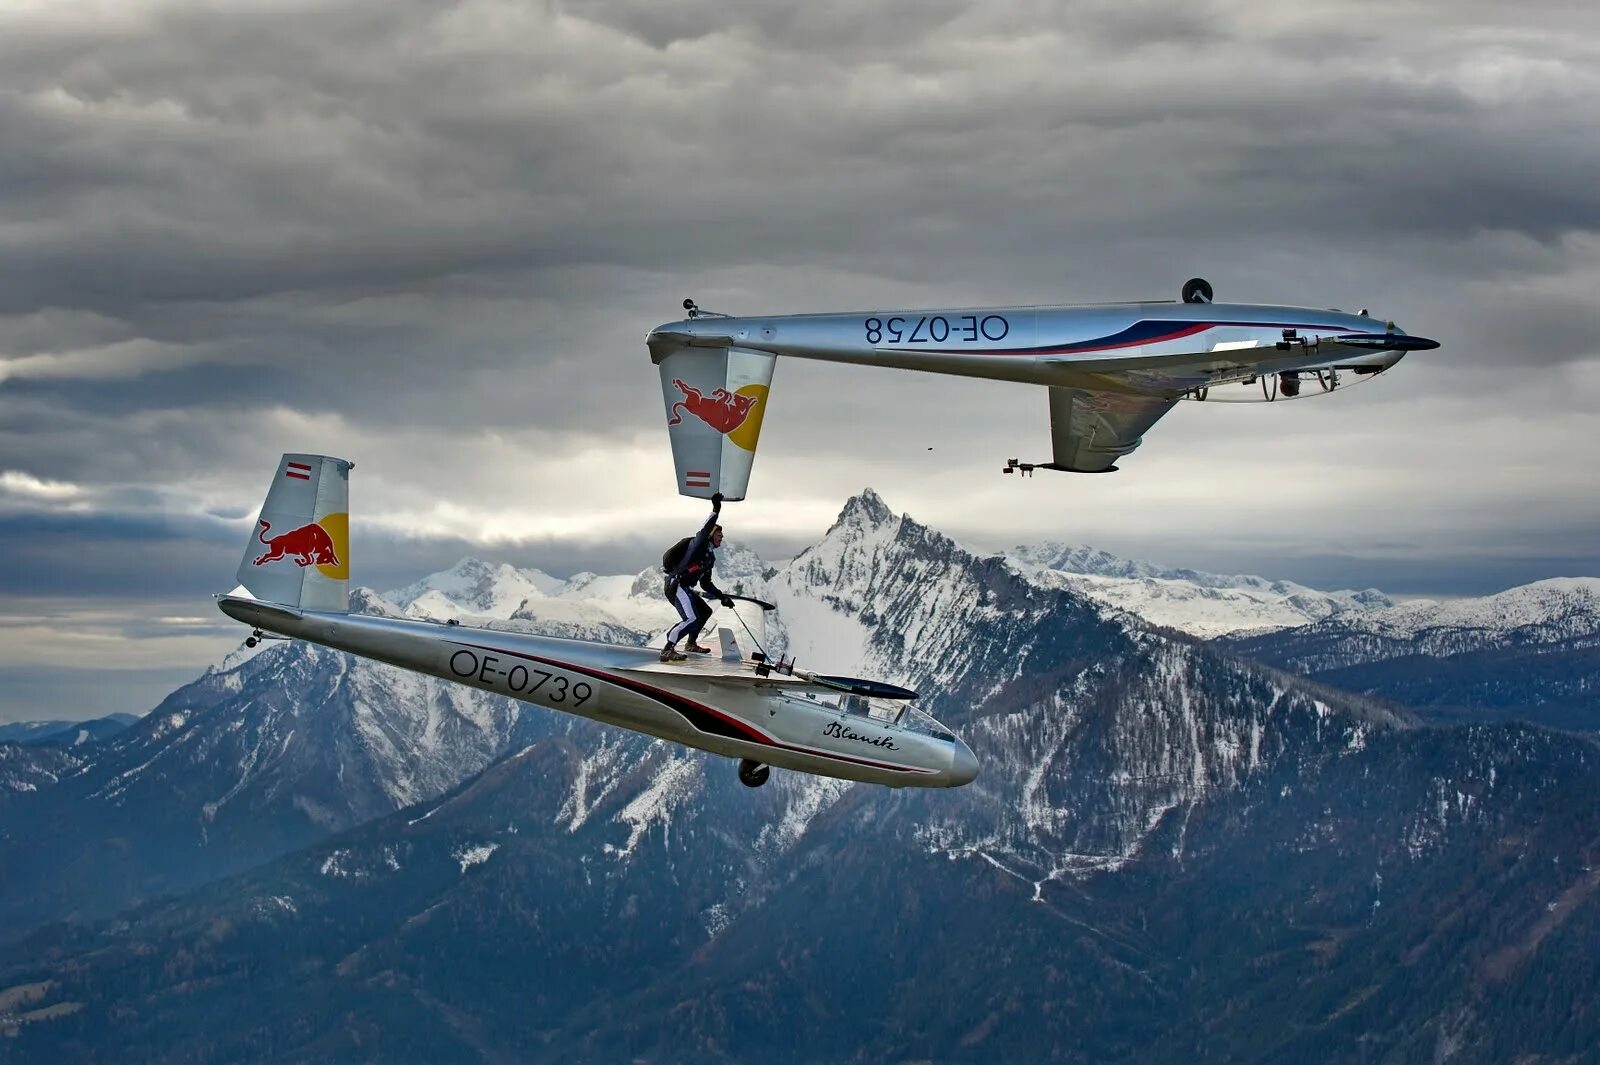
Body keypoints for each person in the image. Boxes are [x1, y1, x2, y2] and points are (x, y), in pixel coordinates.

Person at [660, 495, 735, 662]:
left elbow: (705, 583)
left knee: (704, 611)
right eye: (719, 535)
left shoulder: (709, 558)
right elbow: (705, 528)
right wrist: (716, 509)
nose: (721, 538)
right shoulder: (699, 544)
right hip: (676, 585)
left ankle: (691, 644)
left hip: (684, 588)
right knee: (691, 618)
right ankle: (667, 649)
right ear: (711, 535)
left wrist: (723, 597)